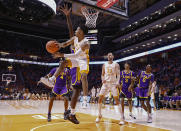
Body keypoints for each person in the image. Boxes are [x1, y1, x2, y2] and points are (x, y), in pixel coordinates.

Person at [95, 53, 124, 125]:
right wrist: (102, 80)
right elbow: (102, 74)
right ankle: (99, 115)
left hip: (113, 84)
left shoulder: (116, 64)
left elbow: (118, 74)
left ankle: (121, 118)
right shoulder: (104, 64)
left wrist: (117, 82)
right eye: (108, 55)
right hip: (105, 84)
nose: (109, 56)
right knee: (100, 99)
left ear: (113, 57)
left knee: (117, 100)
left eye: (110, 55)